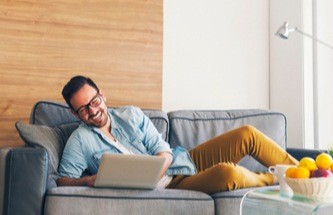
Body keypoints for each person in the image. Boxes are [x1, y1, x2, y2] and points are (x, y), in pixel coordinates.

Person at [57, 75, 299, 194]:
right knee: (229, 173)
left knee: (247, 134)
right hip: (173, 187)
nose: (93, 111)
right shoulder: (80, 140)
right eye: (83, 109)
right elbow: (62, 180)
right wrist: (89, 180)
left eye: (95, 101)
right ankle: (279, 181)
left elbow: (163, 150)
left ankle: (307, 177)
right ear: (75, 113)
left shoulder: (130, 114)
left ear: (102, 95)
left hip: (181, 163)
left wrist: (157, 167)